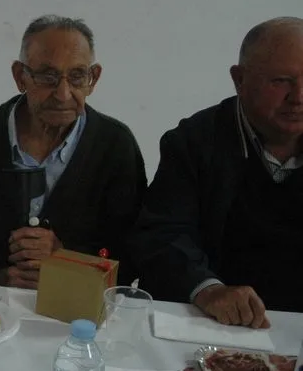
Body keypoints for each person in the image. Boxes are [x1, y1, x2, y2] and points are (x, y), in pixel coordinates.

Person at [0, 15, 146, 289]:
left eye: (77, 76)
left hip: (76, 303)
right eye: (48, 77)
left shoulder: (115, 145)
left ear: (93, 79)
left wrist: (66, 257)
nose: (63, 94)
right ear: (20, 77)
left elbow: (133, 249)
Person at [130, 17, 303, 326]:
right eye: (281, 81)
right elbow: (163, 234)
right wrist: (208, 290)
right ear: (239, 79)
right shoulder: (194, 142)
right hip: (209, 323)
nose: (298, 97)